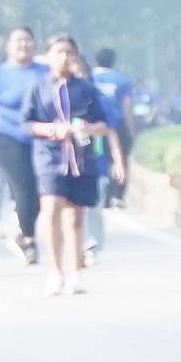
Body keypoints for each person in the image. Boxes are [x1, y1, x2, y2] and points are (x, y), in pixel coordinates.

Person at [25, 35, 113, 296]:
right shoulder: (38, 88)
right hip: (49, 157)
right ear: (48, 56)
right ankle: (55, 271)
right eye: (58, 52)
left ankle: (75, 272)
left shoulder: (86, 89)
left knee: (75, 216)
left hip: (81, 159)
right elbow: (27, 123)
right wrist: (52, 130)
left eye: (69, 52)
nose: (64, 58)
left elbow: (104, 124)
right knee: (51, 208)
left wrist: (87, 128)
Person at [0, 28, 49, 263]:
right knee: (23, 186)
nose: (23, 44)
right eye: (18, 40)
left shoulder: (45, 72)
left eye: (28, 40)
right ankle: (29, 239)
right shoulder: (0, 74)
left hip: (41, 138)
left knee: (41, 190)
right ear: (8, 46)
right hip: (9, 138)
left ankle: (23, 227)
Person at [83, 47, 137, 256]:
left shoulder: (91, 79)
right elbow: (127, 106)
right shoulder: (121, 80)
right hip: (115, 124)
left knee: (101, 160)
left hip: (98, 126)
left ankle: (104, 197)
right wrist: (131, 129)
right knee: (116, 161)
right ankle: (116, 195)